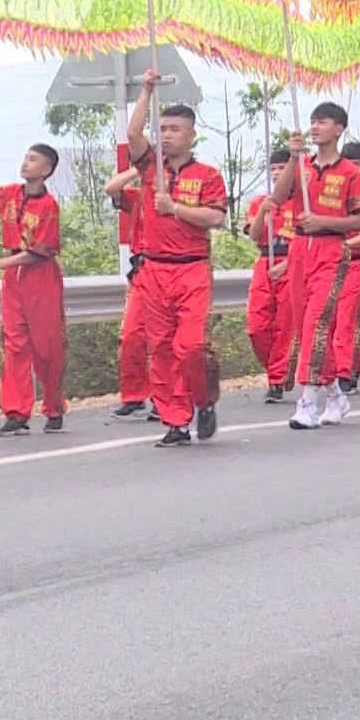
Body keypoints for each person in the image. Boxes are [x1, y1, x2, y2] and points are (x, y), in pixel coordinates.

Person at [125, 69, 229, 446]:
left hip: (191, 270)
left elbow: (215, 218)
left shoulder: (208, 175)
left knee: (191, 347)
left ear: (191, 134)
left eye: (173, 129)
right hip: (154, 270)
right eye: (163, 128)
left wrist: (175, 208)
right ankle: (176, 420)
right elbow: (133, 134)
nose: (165, 135)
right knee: (162, 348)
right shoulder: (150, 167)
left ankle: (203, 400)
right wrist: (146, 90)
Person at [271, 105, 360, 429]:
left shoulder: (351, 174)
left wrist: (324, 221)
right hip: (300, 249)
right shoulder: (302, 166)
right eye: (312, 121)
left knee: (316, 322)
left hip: (331, 249)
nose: (315, 127)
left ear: (339, 129)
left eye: (322, 122)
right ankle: (334, 393)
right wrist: (293, 158)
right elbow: (279, 196)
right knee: (306, 328)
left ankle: (307, 402)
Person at [0, 130, 66, 437]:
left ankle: (53, 404)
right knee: (14, 344)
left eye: (33, 159)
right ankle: (17, 412)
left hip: (39, 276)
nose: (25, 163)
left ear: (46, 169)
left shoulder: (49, 206)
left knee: (46, 346)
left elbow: (38, 254)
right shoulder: (10, 194)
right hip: (13, 278)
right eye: (25, 158)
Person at [244, 149, 298, 400]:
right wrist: (263, 213)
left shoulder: (301, 202)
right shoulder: (260, 202)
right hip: (265, 261)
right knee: (257, 326)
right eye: (274, 168)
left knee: (285, 325)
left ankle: (277, 379)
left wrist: (289, 265)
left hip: (291, 262)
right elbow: (254, 236)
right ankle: (275, 367)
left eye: (282, 168)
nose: (277, 173)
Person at [104, 167, 156, 421]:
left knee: (162, 338)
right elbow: (112, 189)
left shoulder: (176, 194)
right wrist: (138, 168)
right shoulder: (137, 197)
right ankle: (134, 395)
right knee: (132, 335)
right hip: (142, 271)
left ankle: (165, 396)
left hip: (168, 268)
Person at [328, 141, 360, 393]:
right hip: (332, 264)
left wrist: (345, 245)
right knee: (333, 320)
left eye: (357, 165)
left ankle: (346, 370)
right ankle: (339, 367)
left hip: (359, 262)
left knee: (349, 319)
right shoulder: (334, 192)